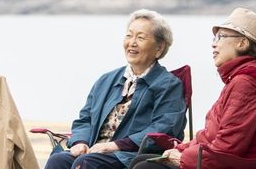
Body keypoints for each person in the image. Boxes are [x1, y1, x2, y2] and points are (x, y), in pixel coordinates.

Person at [131, 8, 256, 169]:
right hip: (226, 161)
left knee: (144, 167)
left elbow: (227, 148)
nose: (214, 43)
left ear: (242, 43)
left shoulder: (245, 83)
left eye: (221, 37)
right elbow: (210, 135)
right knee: (142, 160)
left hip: (237, 165)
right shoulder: (242, 78)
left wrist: (182, 157)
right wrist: (180, 149)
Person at [44, 9, 187, 169]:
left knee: (85, 163)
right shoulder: (106, 80)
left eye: (140, 37)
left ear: (159, 48)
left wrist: (115, 145)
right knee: (58, 161)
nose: (132, 43)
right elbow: (85, 119)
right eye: (129, 35)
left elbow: (164, 128)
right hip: (94, 151)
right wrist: (80, 141)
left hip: (131, 155)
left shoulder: (169, 85)